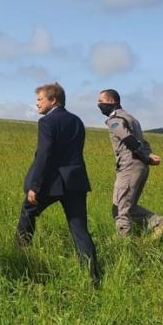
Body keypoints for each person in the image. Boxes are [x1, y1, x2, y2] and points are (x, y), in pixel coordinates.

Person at [16, 83, 100, 285]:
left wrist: (35, 186)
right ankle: (93, 277)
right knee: (79, 229)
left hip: (53, 182)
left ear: (53, 100)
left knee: (28, 211)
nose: (37, 104)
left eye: (40, 100)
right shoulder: (77, 121)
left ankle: (21, 255)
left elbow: (45, 155)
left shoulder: (47, 122)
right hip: (76, 182)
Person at [97, 89, 163, 238]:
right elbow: (143, 142)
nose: (98, 105)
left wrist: (146, 157)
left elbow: (128, 140)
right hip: (139, 166)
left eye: (100, 101)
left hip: (129, 167)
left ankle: (125, 247)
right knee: (128, 207)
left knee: (120, 210)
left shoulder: (114, 120)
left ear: (111, 101)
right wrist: (148, 155)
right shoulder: (131, 118)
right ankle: (157, 223)